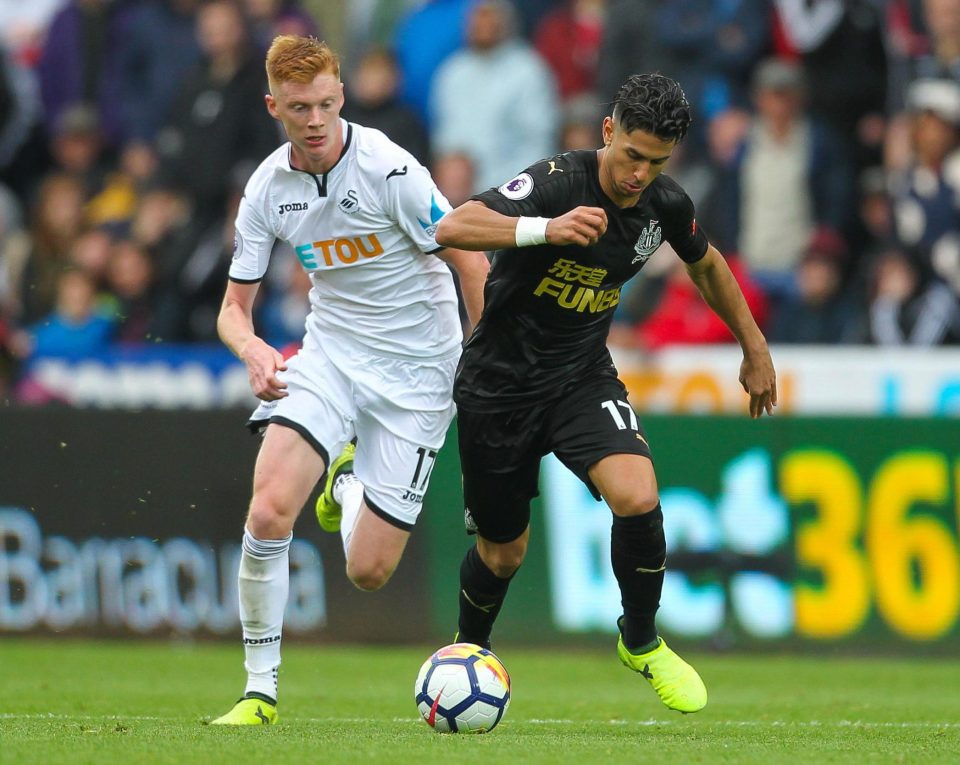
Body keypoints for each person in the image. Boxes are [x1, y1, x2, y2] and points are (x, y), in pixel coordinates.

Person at [434, 72, 777, 714]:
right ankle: (467, 652)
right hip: (497, 388)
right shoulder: (558, 181)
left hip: (579, 377)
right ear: (608, 132)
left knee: (637, 493)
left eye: (656, 163)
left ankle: (640, 641)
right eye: (631, 157)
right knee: (503, 552)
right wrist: (545, 229)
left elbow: (705, 262)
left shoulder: (664, 204)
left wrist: (754, 346)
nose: (638, 175)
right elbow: (454, 226)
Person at [211, 35, 489, 725]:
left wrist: (481, 362)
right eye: (300, 107)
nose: (315, 120)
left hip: (419, 375)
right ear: (274, 105)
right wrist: (251, 349)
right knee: (269, 508)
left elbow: (471, 262)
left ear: (343, 97)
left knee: (368, 571)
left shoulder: (391, 171)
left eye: (328, 104)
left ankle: (346, 477)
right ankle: (259, 690)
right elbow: (232, 309)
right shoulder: (267, 190)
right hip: (331, 355)